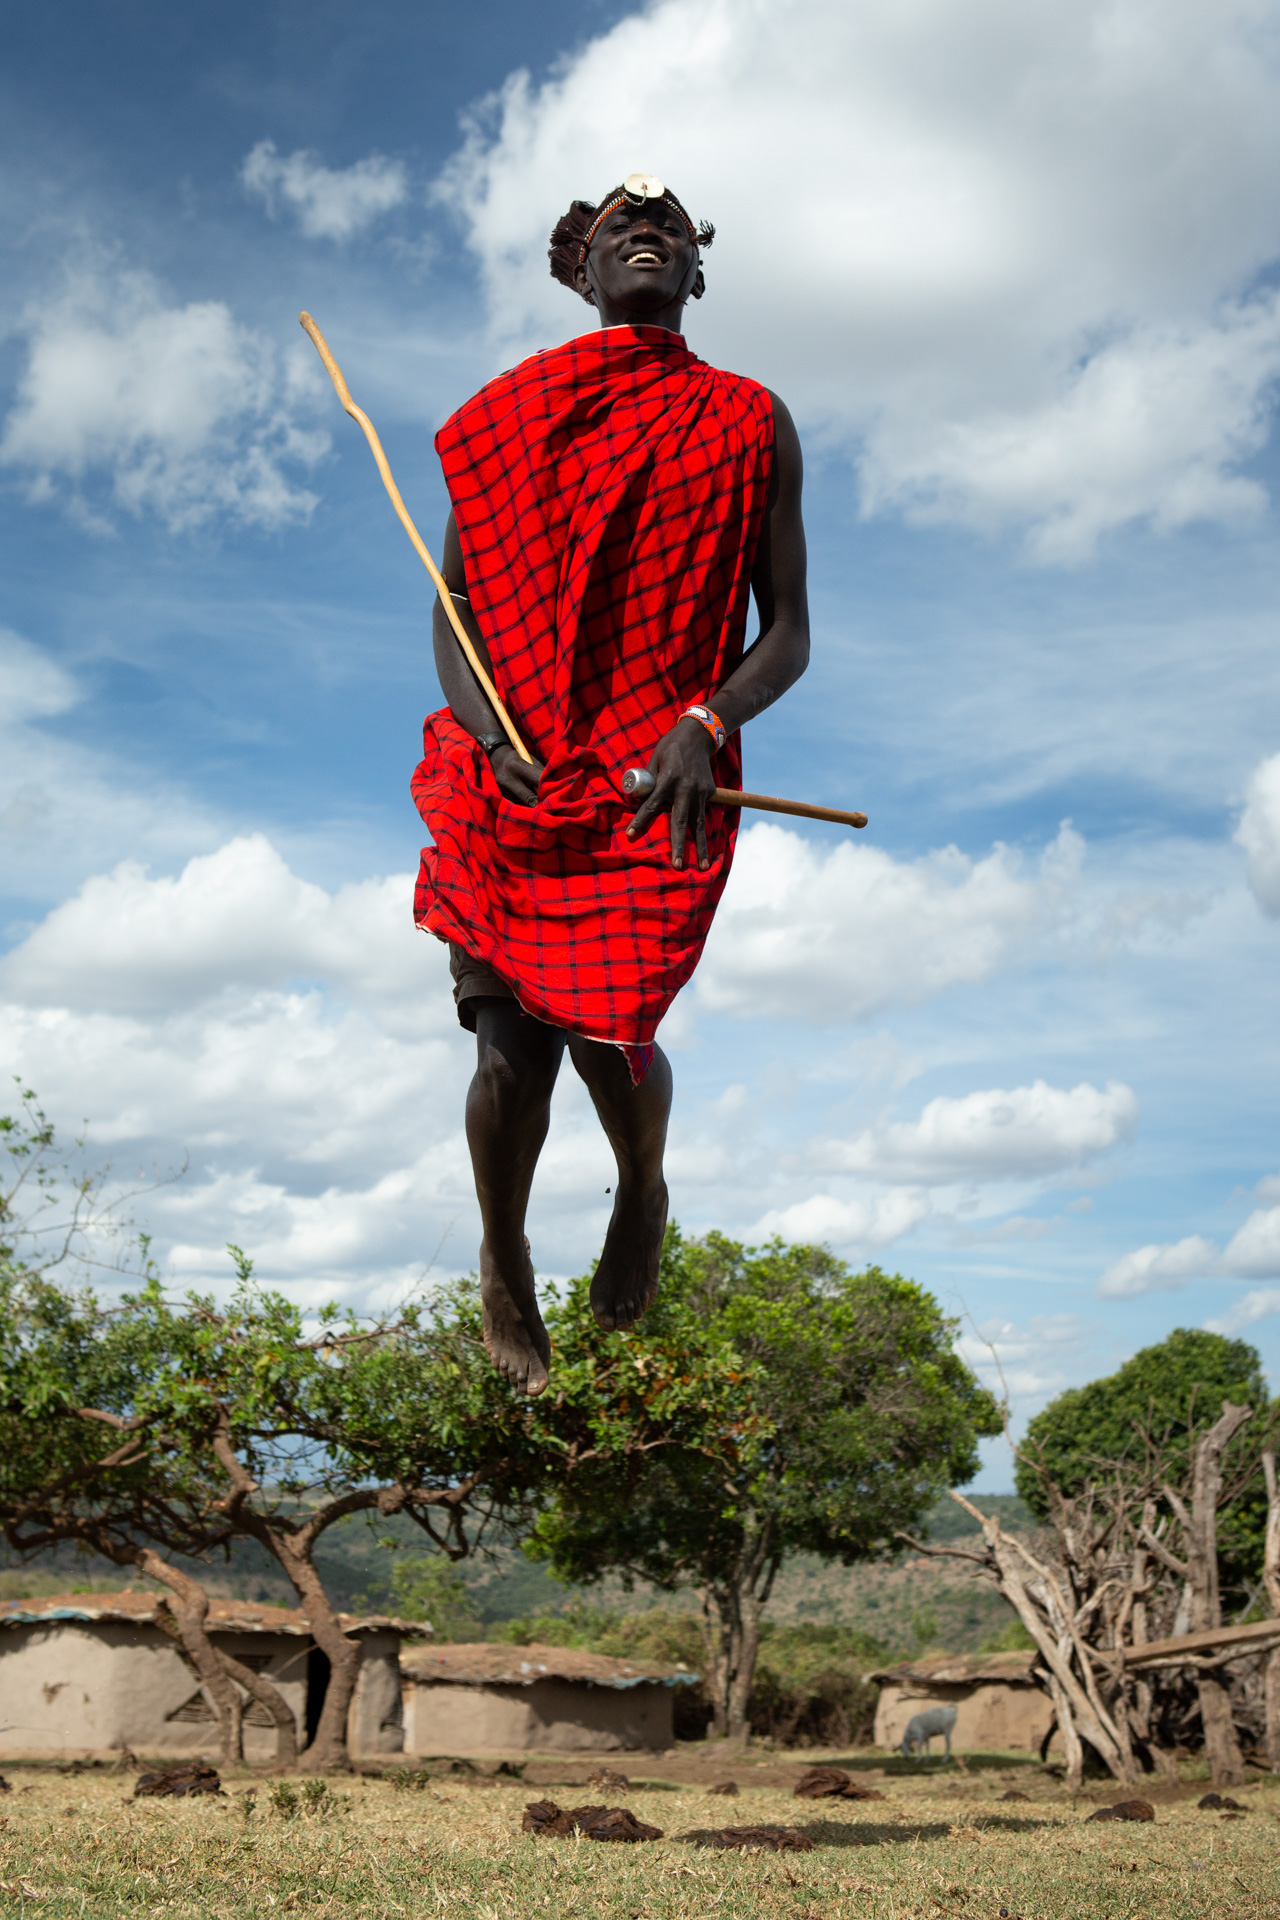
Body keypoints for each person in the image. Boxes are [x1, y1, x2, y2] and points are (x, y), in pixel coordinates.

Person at [412, 172, 809, 1394]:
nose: (644, 230)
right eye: (614, 229)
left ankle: (641, 1189)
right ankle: (502, 1257)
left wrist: (704, 719)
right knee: (506, 1057)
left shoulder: (747, 419)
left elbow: (786, 631)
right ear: (579, 273)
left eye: (672, 226)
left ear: (695, 270)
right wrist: (490, 741)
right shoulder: (502, 420)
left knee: (613, 1032)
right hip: (508, 777)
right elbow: (455, 611)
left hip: (655, 776)